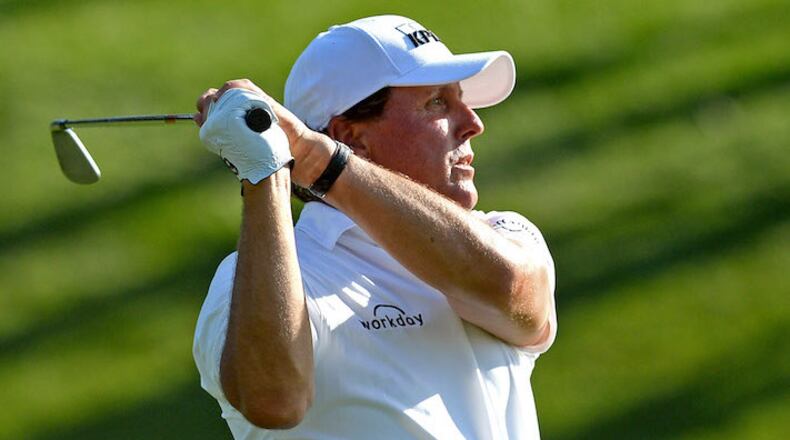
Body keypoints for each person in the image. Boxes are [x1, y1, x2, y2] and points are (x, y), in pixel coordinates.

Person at [192, 14, 557, 439]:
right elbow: (275, 401)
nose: (473, 123)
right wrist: (267, 169)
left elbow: (513, 295)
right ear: (350, 136)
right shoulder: (258, 279)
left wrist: (314, 158)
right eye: (437, 102)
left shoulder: (504, 232)